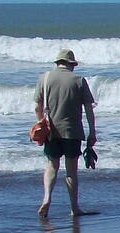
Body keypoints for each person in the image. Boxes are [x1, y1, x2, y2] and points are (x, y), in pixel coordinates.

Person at [35, 48, 97, 218]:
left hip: (51, 132)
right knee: (71, 171)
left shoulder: (44, 78)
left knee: (51, 166)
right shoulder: (79, 80)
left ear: (57, 63)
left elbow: (37, 107)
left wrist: (41, 122)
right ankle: (74, 207)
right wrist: (92, 132)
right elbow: (89, 110)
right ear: (71, 65)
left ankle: (47, 198)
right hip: (73, 132)